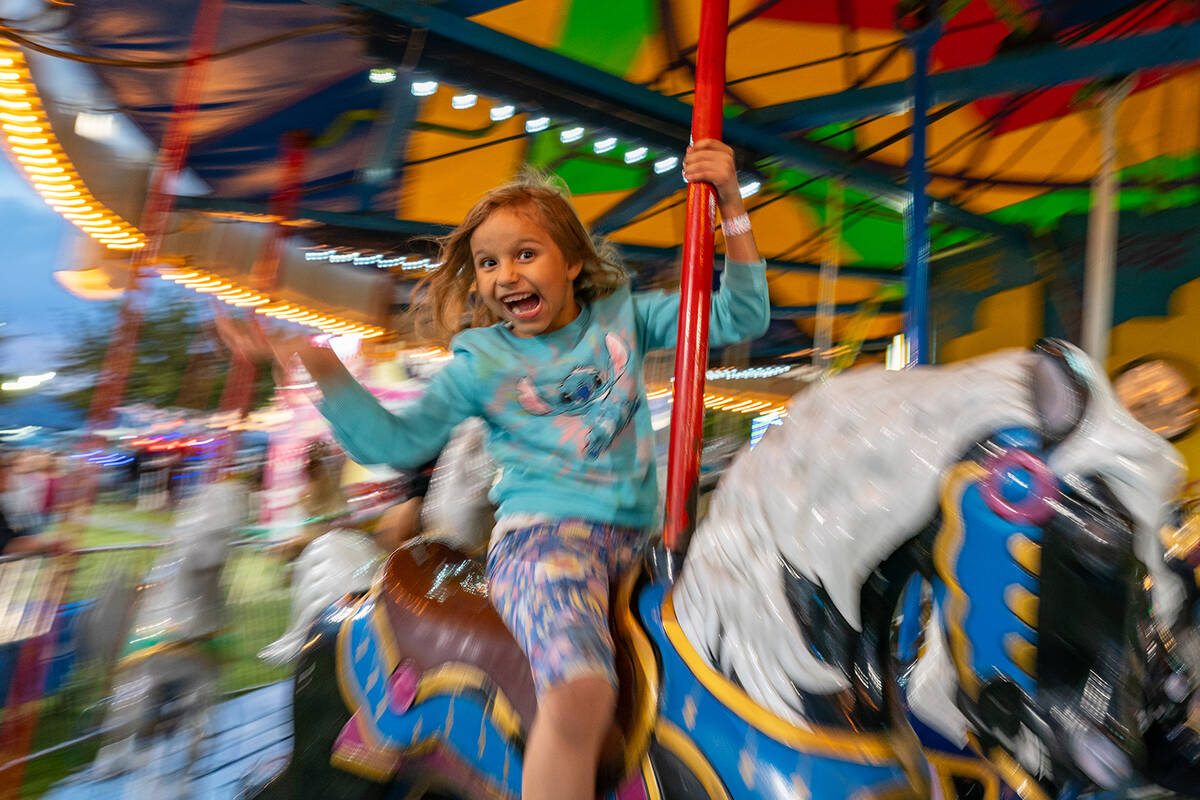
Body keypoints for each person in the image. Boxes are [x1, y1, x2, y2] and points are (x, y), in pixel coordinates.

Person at [219, 139, 768, 800]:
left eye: (525, 254)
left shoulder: (623, 319)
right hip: (542, 551)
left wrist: (730, 204)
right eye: (488, 263)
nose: (506, 274)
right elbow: (396, 442)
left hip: (645, 551)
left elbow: (743, 314)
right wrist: (319, 364)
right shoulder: (481, 361)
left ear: (571, 263)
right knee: (582, 697)